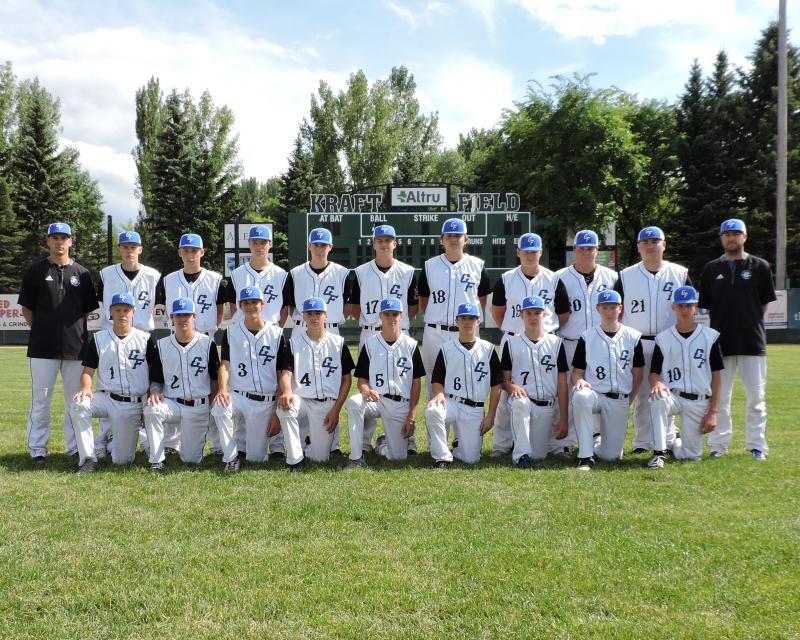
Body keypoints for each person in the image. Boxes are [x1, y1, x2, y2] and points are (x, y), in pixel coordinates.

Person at [18, 222, 98, 462]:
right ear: (48, 241)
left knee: (75, 400)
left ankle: (74, 447)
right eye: (55, 237)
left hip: (76, 347)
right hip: (42, 347)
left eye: (64, 237)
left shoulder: (82, 274)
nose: (59, 242)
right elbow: (27, 309)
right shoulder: (35, 271)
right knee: (41, 400)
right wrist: (43, 329)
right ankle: (38, 449)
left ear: (70, 241)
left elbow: (87, 310)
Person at [699, 218, 776, 460]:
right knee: (720, 398)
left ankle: (757, 446)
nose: (731, 238)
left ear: (744, 237)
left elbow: (763, 304)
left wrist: (748, 322)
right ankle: (718, 445)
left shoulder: (760, 266)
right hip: (720, 344)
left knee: (756, 398)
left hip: (752, 342)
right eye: (726, 234)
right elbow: (708, 305)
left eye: (735, 233)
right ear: (722, 238)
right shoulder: (711, 269)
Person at [491, 232, 570, 457]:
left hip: (546, 340)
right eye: (525, 251)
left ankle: (558, 444)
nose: (530, 255)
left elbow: (563, 313)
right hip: (514, 338)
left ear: (540, 253)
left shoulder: (553, 279)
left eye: (534, 251)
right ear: (518, 252)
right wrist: (513, 331)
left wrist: (547, 330)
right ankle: (501, 445)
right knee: (507, 393)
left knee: (552, 389)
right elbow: (497, 312)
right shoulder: (506, 278)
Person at [615, 226, 690, 453]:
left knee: (667, 392)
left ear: (663, 245)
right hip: (637, 342)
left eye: (655, 241)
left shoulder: (680, 273)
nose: (650, 245)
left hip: (670, 342)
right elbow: (616, 310)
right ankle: (642, 442)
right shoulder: (625, 276)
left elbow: (690, 307)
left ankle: (667, 440)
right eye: (645, 242)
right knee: (640, 395)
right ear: (638, 247)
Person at [69, 292, 157, 472]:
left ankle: (113, 435)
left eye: (126, 310)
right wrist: (86, 388)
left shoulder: (145, 339)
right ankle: (88, 458)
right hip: (106, 398)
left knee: (122, 461)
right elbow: (88, 371)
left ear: (133, 312)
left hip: (132, 403)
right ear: (110, 312)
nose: (122, 314)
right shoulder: (99, 338)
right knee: (79, 405)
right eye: (117, 310)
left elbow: (154, 373)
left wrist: (147, 401)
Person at [156, 232, 225, 456]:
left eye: (194, 250)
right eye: (186, 250)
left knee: (210, 388)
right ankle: (171, 443)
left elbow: (220, 309)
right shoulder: (168, 280)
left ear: (202, 252)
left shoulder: (215, 279)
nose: (190, 254)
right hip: (176, 338)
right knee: (174, 386)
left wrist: (211, 328)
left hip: (204, 338)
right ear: (180, 252)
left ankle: (217, 444)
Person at [94, 230, 160, 459]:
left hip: (141, 337)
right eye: (125, 247)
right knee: (108, 389)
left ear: (140, 249)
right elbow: (101, 303)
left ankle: (142, 437)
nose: (129, 251)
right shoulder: (106, 274)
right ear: (119, 249)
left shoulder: (153, 276)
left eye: (133, 247)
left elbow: (157, 305)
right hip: (111, 336)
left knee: (140, 390)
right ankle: (104, 438)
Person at [211, 287, 288, 473]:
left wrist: (276, 411)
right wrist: (222, 389)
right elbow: (225, 365)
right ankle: (231, 457)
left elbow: (281, 373)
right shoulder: (231, 332)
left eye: (254, 302)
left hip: (265, 401)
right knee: (219, 407)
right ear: (240, 306)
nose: (251, 306)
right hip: (239, 396)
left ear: (262, 304)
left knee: (256, 458)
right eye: (246, 303)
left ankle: (252, 450)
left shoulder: (277, 334)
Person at [647, 286, 724, 467]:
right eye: (680, 305)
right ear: (674, 307)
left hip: (698, 400)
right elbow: (653, 373)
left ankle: (674, 442)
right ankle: (659, 452)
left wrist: (713, 412)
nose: (684, 309)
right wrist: (657, 383)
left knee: (690, 457)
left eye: (689, 305)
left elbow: (716, 377)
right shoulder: (663, 338)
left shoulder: (710, 337)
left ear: (695, 307)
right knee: (658, 398)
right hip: (673, 396)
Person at [555, 230, 618, 451]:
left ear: (597, 250)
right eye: (581, 248)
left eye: (590, 248)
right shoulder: (559, 277)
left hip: (601, 344)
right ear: (574, 250)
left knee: (600, 388)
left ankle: (597, 436)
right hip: (570, 342)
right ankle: (568, 441)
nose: (585, 252)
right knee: (569, 391)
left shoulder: (611, 277)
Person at [418, 218, 490, 408]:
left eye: (457, 235)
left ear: (466, 239)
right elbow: (424, 300)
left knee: (467, 378)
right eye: (449, 235)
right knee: (433, 381)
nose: (453, 239)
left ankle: (465, 427)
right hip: (435, 331)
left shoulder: (477, 265)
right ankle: (436, 425)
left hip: (466, 331)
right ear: (442, 239)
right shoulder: (430, 266)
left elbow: (481, 299)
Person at [346, 298, 425, 468]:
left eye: (395, 314)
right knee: (354, 402)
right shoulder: (370, 344)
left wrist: (411, 417)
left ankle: (382, 444)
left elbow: (416, 383)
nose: (391, 318)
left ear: (401, 316)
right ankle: (356, 458)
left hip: (399, 404)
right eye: (387, 314)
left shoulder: (411, 345)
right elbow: (362, 380)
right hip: (376, 400)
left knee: (397, 458)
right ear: (380, 316)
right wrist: (365, 391)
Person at [276, 297, 354, 468]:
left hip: (326, 406)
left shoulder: (338, 343)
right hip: (301, 401)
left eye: (318, 313)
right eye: (309, 313)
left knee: (320, 459)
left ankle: (307, 446)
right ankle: (295, 460)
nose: (314, 317)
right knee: (285, 408)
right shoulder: (294, 343)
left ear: (326, 316)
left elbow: (347, 380)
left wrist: (336, 409)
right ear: (303, 316)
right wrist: (287, 391)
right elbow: (286, 374)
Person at [143, 297, 220, 471]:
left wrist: (211, 406)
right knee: (152, 409)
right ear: (171, 317)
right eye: (178, 315)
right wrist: (154, 391)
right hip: (172, 405)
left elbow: (215, 379)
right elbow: (156, 379)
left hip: (198, 406)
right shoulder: (161, 345)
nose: (182, 319)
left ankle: (184, 449)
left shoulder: (207, 344)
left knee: (191, 460)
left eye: (186, 315)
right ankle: (157, 459)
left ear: (194, 317)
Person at [571, 289, 645, 470]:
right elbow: (577, 372)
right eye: (605, 307)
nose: (609, 311)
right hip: (595, 394)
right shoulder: (587, 337)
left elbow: (638, 375)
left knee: (611, 457)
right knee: (581, 396)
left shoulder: (633, 337)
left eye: (613, 307)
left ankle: (597, 440)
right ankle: (585, 456)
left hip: (619, 398)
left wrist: (629, 399)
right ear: (598, 309)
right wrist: (579, 380)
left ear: (620, 308)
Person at [424, 302, 503, 467]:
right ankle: (442, 457)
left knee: (471, 459)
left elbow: (497, 386)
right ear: (457, 321)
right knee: (433, 411)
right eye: (463, 318)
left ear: (478, 321)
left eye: (471, 318)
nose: (467, 322)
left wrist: (490, 416)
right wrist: (439, 393)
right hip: (451, 403)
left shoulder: (488, 349)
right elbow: (437, 380)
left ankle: (458, 446)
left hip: (474, 408)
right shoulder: (446, 349)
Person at [501, 296, 569, 468]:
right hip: (523, 401)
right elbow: (503, 381)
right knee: (520, 403)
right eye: (528, 313)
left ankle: (523, 444)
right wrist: (511, 386)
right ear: (521, 315)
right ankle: (521, 455)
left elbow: (562, 384)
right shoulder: (511, 343)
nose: (533, 317)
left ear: (544, 314)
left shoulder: (556, 343)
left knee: (538, 455)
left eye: (537, 313)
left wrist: (564, 418)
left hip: (546, 405)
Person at [347, 224, 418, 350]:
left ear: (394, 244)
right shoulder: (361, 272)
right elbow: (355, 307)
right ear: (374, 244)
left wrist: (395, 323)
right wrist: (371, 322)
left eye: (388, 240)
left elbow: (413, 306)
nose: (384, 244)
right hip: (370, 333)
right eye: (379, 241)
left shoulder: (407, 272)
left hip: (400, 333)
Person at [225, 224, 289, 327]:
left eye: (263, 243)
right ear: (249, 244)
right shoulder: (236, 275)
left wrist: (277, 330)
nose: (259, 247)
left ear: (270, 244)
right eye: (255, 242)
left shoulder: (281, 275)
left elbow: (285, 308)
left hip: (272, 330)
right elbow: (233, 306)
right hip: (243, 330)